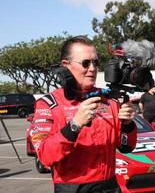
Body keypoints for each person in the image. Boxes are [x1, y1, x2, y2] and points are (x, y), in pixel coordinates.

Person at [30, 35, 137, 193]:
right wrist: (74, 126)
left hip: (109, 186)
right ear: (66, 65)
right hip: (72, 188)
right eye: (86, 63)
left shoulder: (109, 99)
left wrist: (128, 125)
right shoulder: (48, 104)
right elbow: (44, 156)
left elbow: (127, 146)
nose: (92, 69)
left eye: (96, 62)